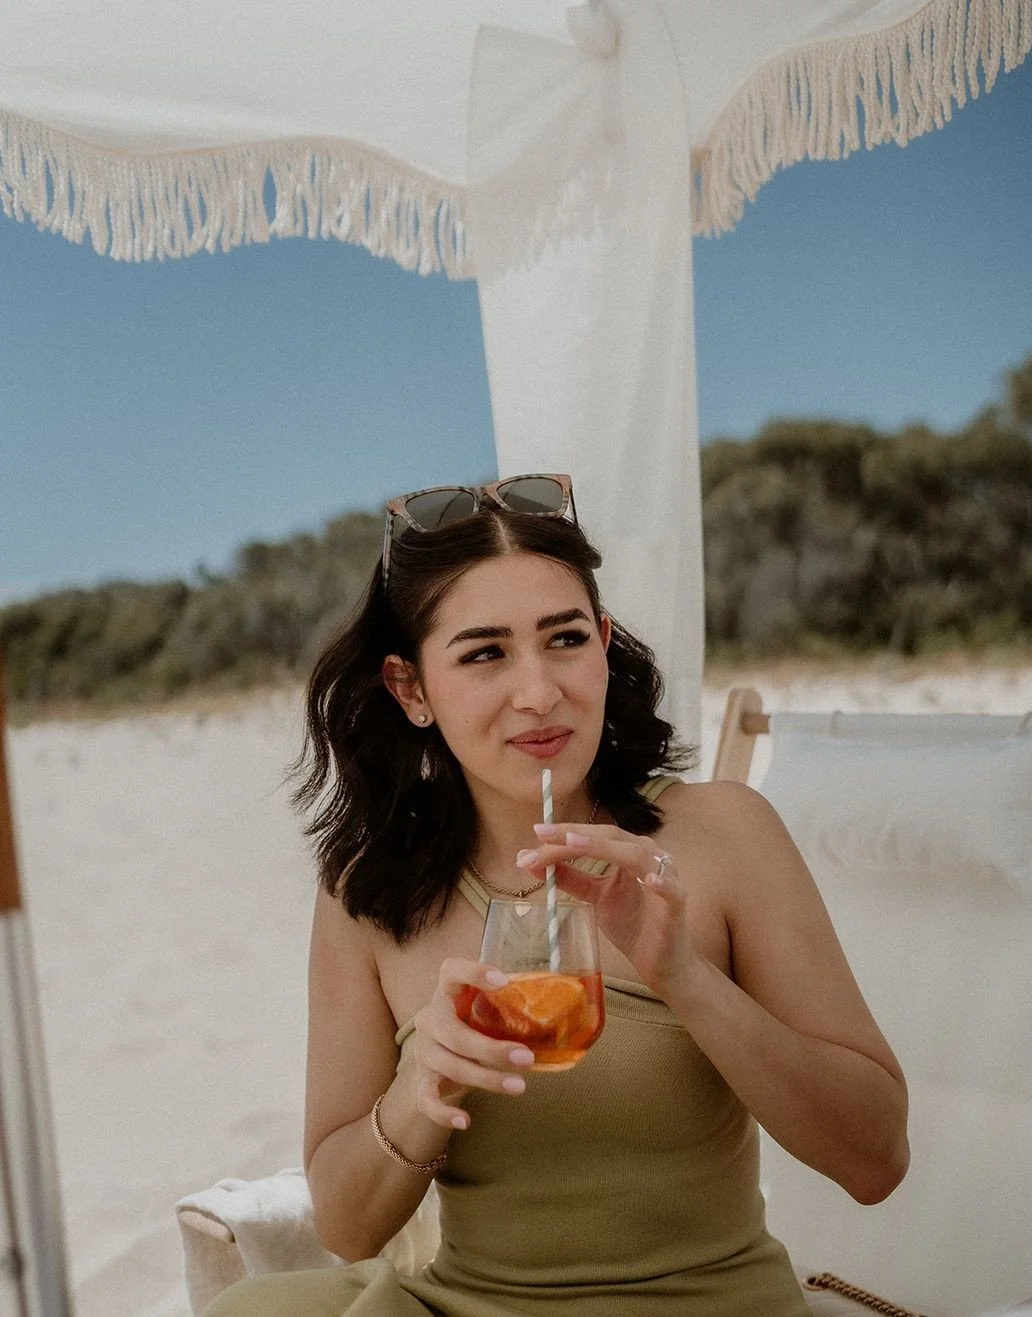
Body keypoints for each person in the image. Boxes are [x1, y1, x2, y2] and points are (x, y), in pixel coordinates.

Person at [205, 474, 909, 1317]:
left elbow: (875, 1160)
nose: (538, 691)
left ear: (604, 644)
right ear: (410, 688)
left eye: (564, 639)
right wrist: (421, 1083)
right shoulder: (370, 891)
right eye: (483, 652)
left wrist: (685, 975)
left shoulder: (724, 837)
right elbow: (350, 1228)